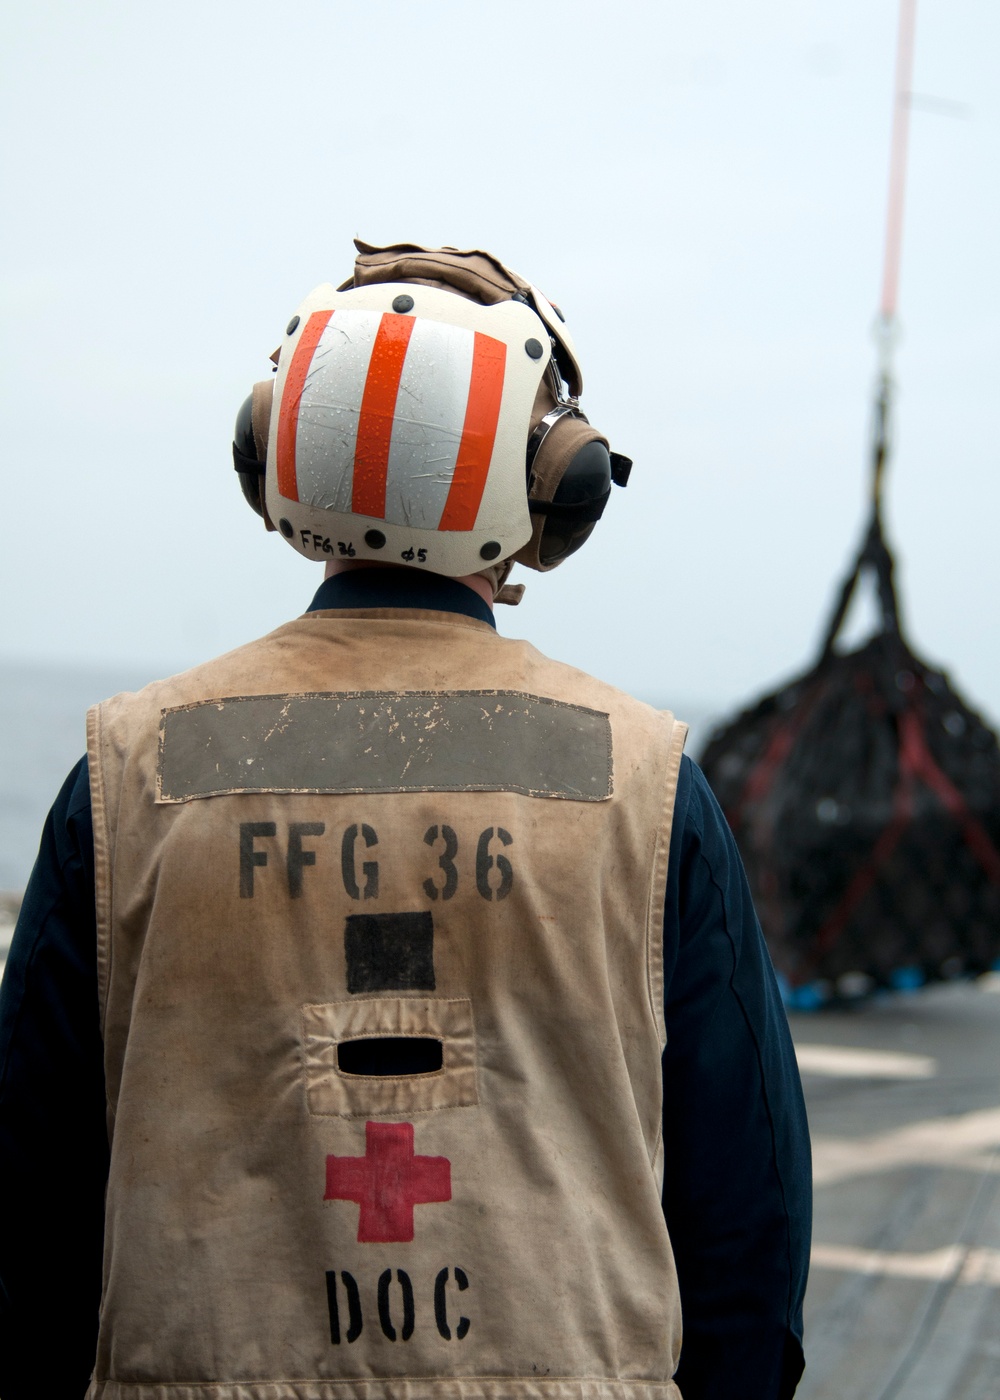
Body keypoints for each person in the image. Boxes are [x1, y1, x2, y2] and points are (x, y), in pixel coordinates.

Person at [0, 241, 811, 1400]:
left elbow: (28, 1211)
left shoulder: (127, 770)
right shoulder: (642, 778)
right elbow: (751, 1219)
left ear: (274, 458)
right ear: (552, 486)